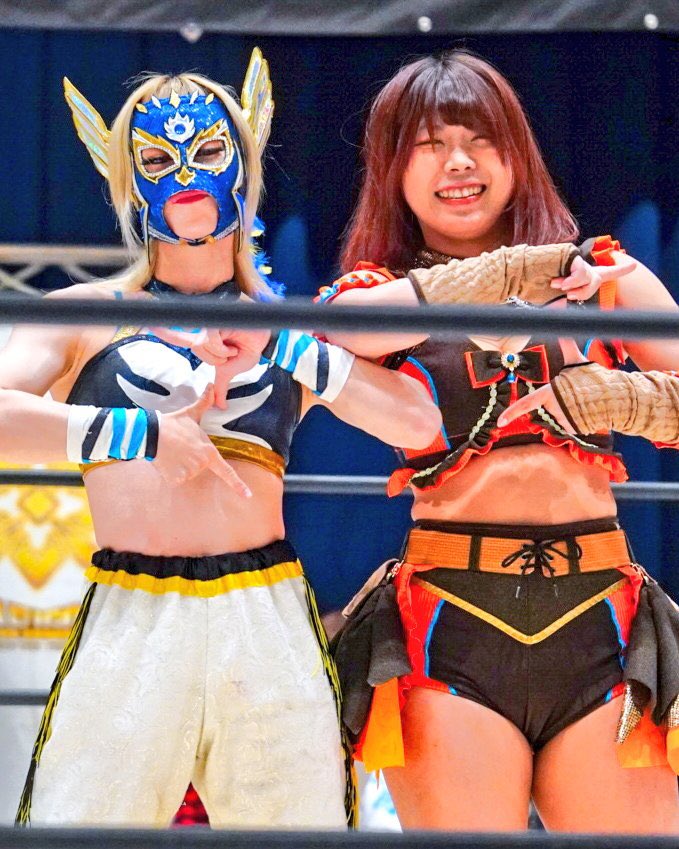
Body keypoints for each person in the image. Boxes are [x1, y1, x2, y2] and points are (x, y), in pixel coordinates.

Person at [0, 51, 445, 829]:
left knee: (295, 825)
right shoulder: (86, 312)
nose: (185, 174)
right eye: (157, 159)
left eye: (207, 150)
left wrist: (289, 345)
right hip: (133, 610)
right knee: (83, 823)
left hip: (261, 611)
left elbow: (418, 424)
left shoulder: (290, 323)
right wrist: (135, 431)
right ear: (125, 176)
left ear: (243, 162)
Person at [322, 50, 679, 833]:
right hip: (451, 623)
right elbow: (335, 333)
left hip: (601, 619)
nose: (458, 163)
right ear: (392, 168)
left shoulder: (602, 276)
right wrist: (504, 273)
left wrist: (623, 397)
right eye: (429, 145)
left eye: (479, 139)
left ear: (517, 154)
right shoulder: (375, 294)